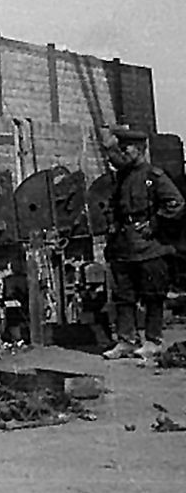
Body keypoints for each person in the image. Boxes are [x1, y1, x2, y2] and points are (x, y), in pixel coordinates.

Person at [101, 126, 184, 360]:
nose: (122, 154)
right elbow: (112, 206)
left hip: (148, 247)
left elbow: (176, 203)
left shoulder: (153, 176)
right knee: (123, 296)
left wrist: (154, 224)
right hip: (123, 245)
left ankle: (152, 340)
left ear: (138, 150)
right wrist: (113, 224)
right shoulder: (122, 178)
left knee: (153, 295)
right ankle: (126, 340)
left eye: (125, 149)